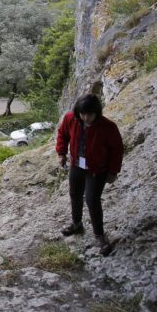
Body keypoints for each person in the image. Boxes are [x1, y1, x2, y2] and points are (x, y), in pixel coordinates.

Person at [55, 94, 124, 256]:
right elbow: (62, 135)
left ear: (97, 112)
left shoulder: (108, 127)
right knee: (75, 194)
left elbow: (117, 150)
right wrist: (61, 153)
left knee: (92, 200)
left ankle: (100, 235)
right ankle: (77, 223)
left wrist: (113, 171)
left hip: (97, 170)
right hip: (77, 165)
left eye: (90, 114)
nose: (86, 117)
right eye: (83, 113)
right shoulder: (71, 118)